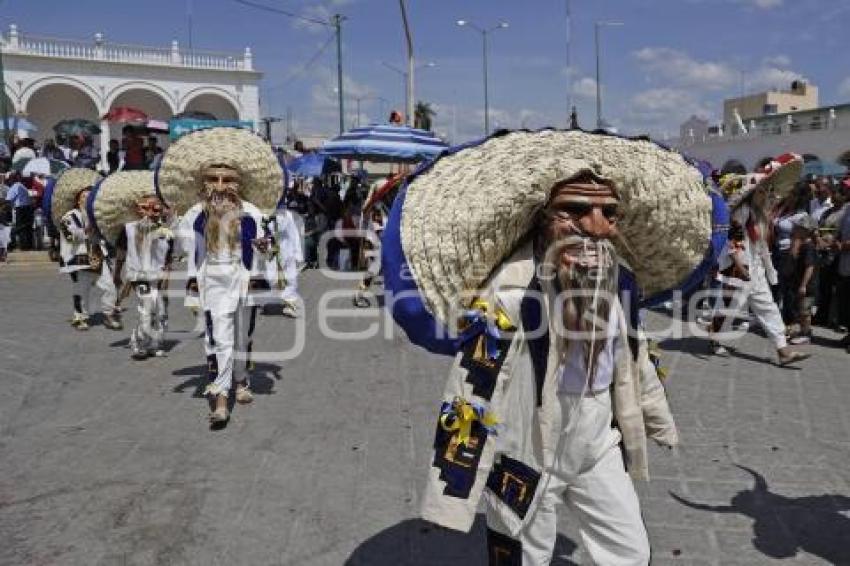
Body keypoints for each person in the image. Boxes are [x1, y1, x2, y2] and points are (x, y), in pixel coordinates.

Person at [385, 130, 724, 565]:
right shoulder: (507, 296)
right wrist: (458, 478)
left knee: (630, 552)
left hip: (597, 440)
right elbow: (471, 389)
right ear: (541, 218)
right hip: (528, 448)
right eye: (576, 210)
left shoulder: (619, 282)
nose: (597, 227)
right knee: (524, 557)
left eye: (609, 212)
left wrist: (654, 416)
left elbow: (633, 356)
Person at [158, 127, 282, 425]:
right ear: (204, 184)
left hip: (244, 283)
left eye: (227, 180)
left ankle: (241, 380)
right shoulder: (195, 214)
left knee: (242, 337)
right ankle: (220, 398)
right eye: (213, 179)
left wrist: (265, 248)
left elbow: (271, 250)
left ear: (238, 184)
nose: (220, 186)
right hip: (212, 283)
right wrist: (168, 226)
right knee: (218, 340)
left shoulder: (252, 213)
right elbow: (180, 244)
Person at [708, 154, 810, 365]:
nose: (767, 195)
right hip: (739, 265)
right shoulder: (743, 211)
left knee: (768, 307)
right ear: (754, 192)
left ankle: (783, 351)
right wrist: (738, 264)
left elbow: (760, 244)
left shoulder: (761, 213)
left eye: (769, 192)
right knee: (730, 305)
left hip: (756, 266)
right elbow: (733, 237)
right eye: (763, 191)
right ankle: (716, 339)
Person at [782, 215, 818, 344]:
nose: (795, 229)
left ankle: (806, 334)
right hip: (800, 283)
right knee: (801, 309)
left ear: (806, 230)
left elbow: (810, 267)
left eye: (798, 228)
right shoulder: (802, 245)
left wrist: (803, 285)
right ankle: (803, 331)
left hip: (807, 285)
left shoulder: (809, 247)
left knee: (805, 311)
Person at [272, 203, 304, 317]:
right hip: (276, 252)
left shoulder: (286, 215)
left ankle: (291, 303)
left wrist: (298, 254)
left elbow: (293, 235)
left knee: (289, 278)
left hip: (285, 252)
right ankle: (289, 303)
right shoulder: (267, 216)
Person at [5, 171, 34, 250]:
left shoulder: (14, 187)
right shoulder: (22, 186)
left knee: (19, 227)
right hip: (28, 208)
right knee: (27, 227)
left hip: (20, 209)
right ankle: (27, 245)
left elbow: (8, 200)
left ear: (11, 180)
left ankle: (12, 243)